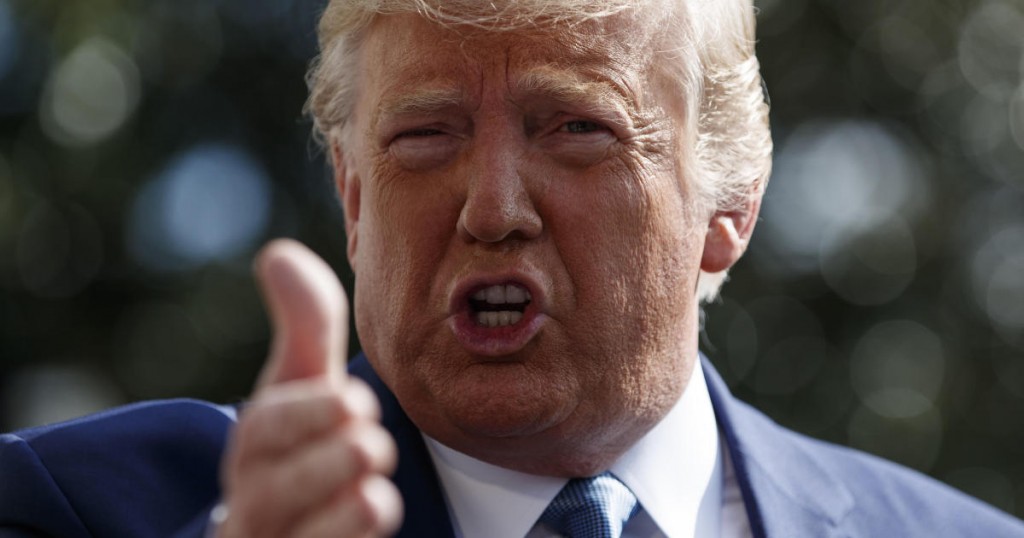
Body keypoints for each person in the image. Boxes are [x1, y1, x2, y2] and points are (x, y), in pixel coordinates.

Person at [1, 0, 1022, 536]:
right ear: (353, 204)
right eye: (425, 135)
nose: (492, 208)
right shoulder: (83, 504)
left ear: (730, 206)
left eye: (577, 129)